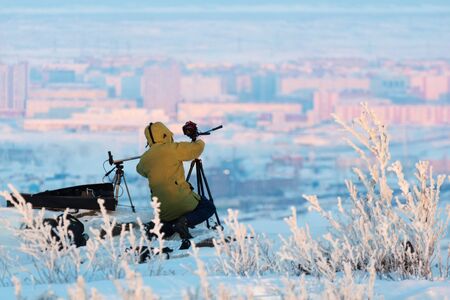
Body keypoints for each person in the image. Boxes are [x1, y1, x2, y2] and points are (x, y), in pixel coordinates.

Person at [136, 121, 216, 239]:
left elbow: (140, 170)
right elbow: (196, 149)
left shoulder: (145, 158)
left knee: (170, 220)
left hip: (161, 207)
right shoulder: (173, 149)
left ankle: (156, 227)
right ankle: (184, 222)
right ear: (165, 134)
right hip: (181, 201)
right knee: (208, 207)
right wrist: (197, 139)